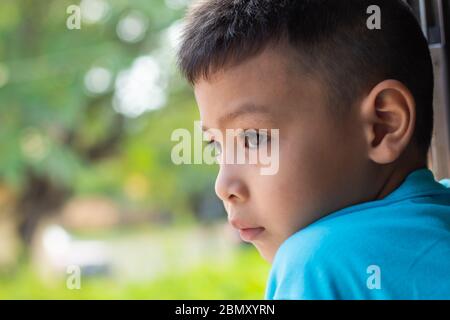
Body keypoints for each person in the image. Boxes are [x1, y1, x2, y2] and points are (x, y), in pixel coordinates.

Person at [177, 0, 450, 299]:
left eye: (254, 139)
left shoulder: (317, 263)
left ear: (382, 125)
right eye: (215, 144)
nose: (223, 186)